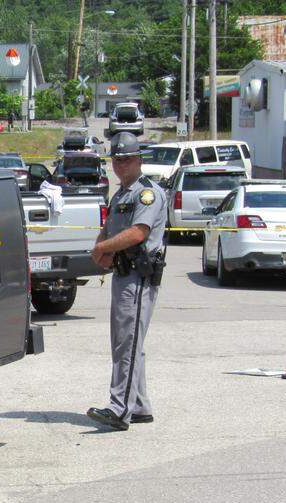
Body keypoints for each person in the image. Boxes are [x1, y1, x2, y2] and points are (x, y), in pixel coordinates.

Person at [87, 132, 167, 431]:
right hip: (123, 274)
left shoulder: (147, 194)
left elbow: (137, 233)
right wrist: (101, 249)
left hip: (138, 275)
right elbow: (109, 230)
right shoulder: (121, 194)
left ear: (139, 160)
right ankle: (140, 406)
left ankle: (119, 408)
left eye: (127, 160)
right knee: (128, 341)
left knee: (127, 343)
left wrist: (101, 249)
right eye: (117, 160)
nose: (121, 165)